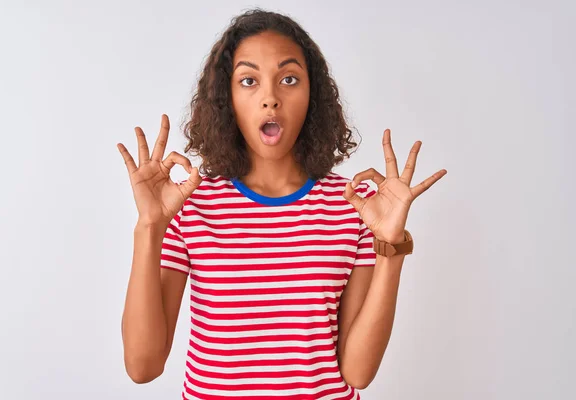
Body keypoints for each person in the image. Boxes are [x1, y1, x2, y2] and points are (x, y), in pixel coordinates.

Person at [117, 8, 446, 399]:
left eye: (289, 79)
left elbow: (357, 372)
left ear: (313, 95)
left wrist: (390, 248)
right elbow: (142, 366)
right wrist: (149, 226)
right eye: (249, 81)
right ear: (228, 98)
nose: (270, 98)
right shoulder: (190, 205)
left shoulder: (355, 207)